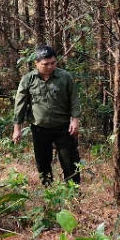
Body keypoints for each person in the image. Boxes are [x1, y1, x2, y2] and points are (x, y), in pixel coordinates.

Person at [12, 45, 81, 185]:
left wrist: (75, 120)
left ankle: (73, 193)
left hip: (63, 127)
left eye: (53, 63)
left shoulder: (65, 77)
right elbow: (20, 104)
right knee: (43, 162)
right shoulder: (28, 79)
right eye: (45, 64)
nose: (50, 67)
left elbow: (74, 99)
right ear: (36, 63)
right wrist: (17, 129)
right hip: (39, 128)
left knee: (70, 162)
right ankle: (48, 191)